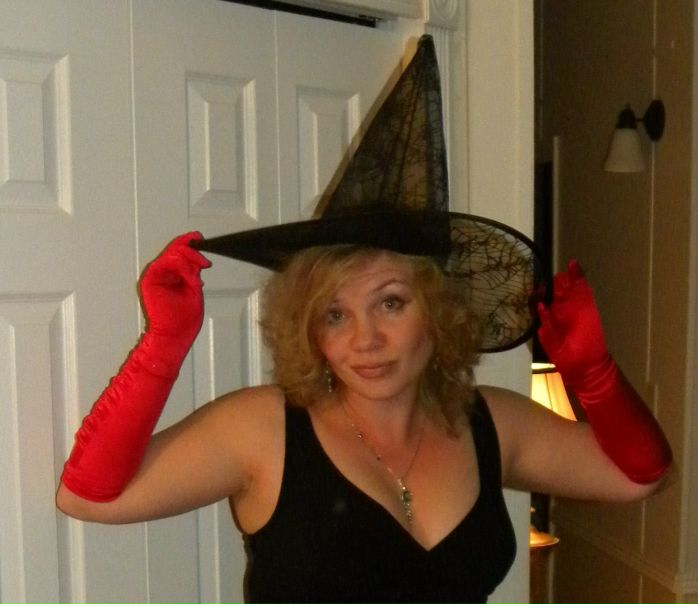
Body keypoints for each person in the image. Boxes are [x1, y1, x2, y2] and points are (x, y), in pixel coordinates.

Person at [55, 36, 673, 603]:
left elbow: (639, 477)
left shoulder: (491, 422)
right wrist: (164, 343)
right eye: (334, 314)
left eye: (390, 303)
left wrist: (594, 372)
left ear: (436, 309)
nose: (365, 340)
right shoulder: (265, 431)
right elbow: (89, 495)